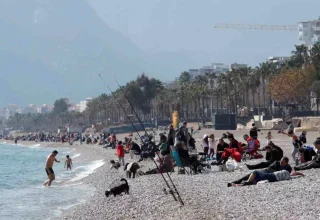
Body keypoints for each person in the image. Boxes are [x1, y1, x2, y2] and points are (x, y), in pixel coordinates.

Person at [230, 170, 304, 187]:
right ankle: (239, 183)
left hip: (270, 176)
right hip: (271, 177)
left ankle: (246, 182)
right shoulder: (289, 177)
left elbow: (295, 174)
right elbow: (296, 175)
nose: (293, 172)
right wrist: (300, 174)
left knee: (255, 172)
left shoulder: (288, 174)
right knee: (255, 179)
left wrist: (299, 173)